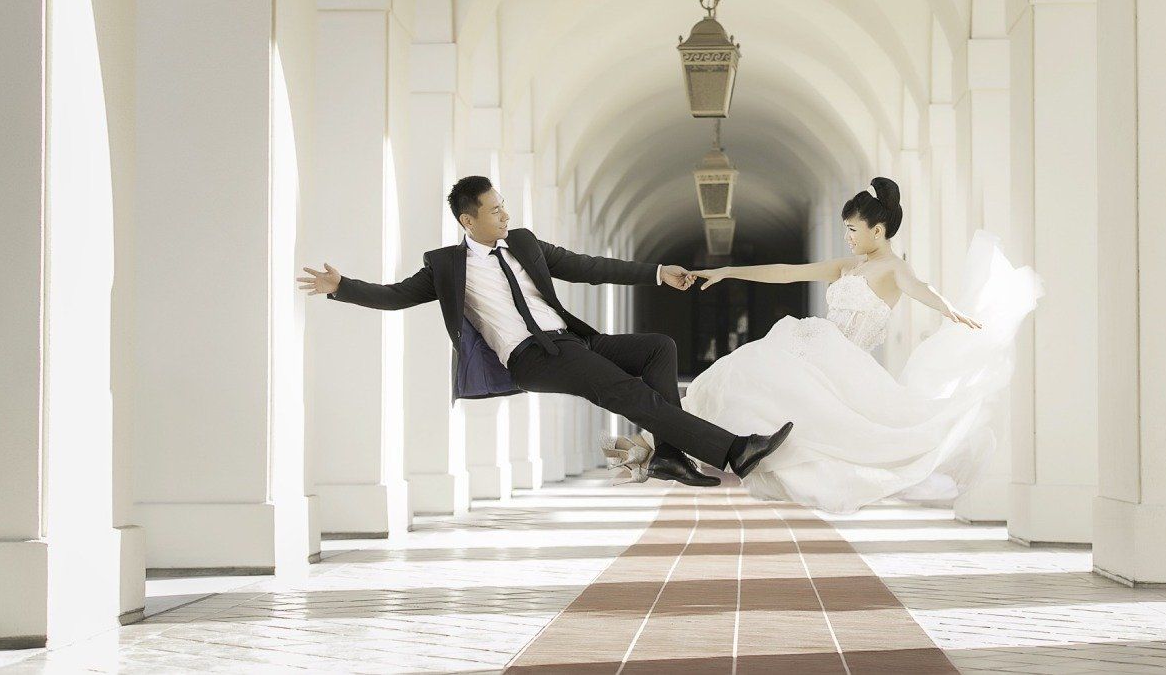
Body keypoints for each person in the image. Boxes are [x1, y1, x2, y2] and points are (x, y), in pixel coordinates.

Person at [296, 175, 792, 488]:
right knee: (627, 392)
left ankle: (666, 454)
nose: (505, 215)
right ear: (468, 220)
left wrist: (658, 272)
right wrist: (342, 287)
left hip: (571, 341)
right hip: (533, 356)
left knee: (658, 349)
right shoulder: (446, 266)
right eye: (494, 210)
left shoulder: (524, 243)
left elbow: (588, 265)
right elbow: (396, 296)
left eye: (503, 206)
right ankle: (734, 450)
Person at [681, 176, 1043, 514]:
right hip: (816, 348)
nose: (848, 238)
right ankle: (699, 438)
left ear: (878, 231)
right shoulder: (848, 266)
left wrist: (948, 308)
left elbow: (920, 287)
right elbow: (788, 271)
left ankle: (717, 445)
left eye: (853, 230)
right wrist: (728, 272)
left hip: (845, 365)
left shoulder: (893, 268)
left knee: (841, 436)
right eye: (846, 229)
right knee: (747, 372)